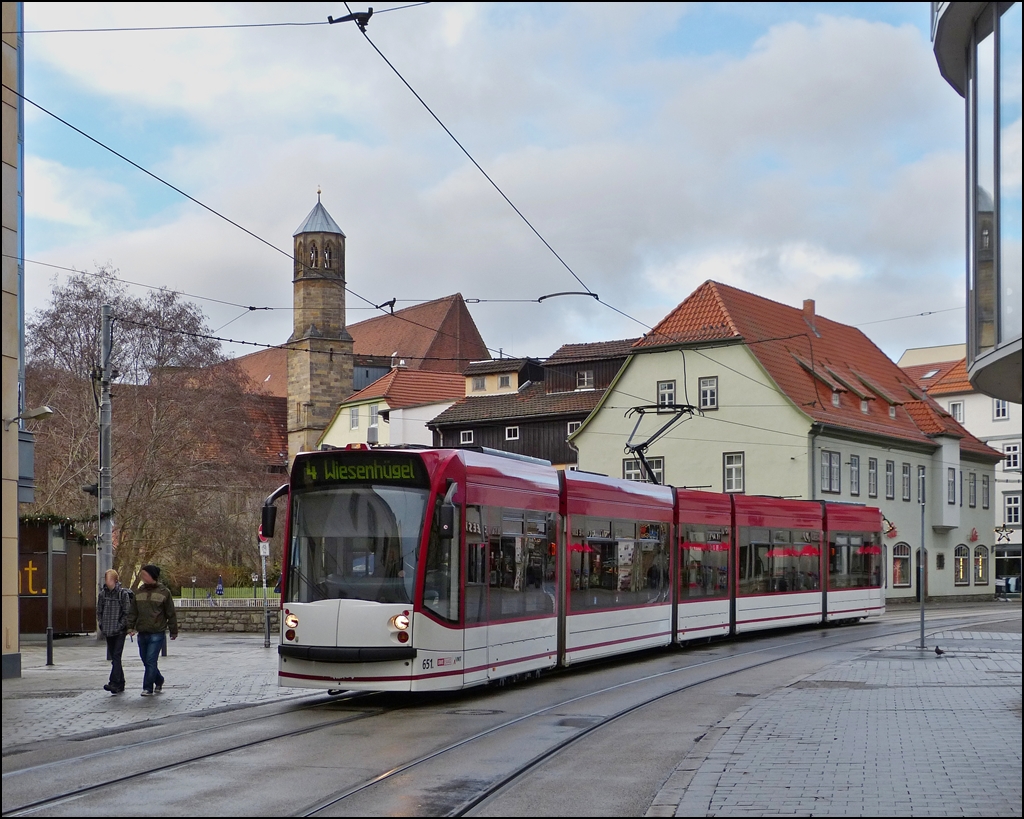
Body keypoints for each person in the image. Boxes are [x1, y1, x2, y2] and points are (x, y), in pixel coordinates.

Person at [128, 564, 178, 697]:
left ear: (152, 576)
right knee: (146, 660)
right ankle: (159, 679)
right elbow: (133, 611)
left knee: (151, 660)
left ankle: (147, 687)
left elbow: (170, 613)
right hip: (142, 631)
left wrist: (173, 631)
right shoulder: (139, 592)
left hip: (157, 632)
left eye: (145, 575)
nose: (142, 577)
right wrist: (130, 627)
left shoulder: (164, 592)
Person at [96, 569, 131, 694]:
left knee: (116, 656)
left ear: (116, 580)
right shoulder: (102, 595)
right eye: (106, 579)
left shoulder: (122, 594)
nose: (108, 582)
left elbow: (127, 612)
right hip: (108, 630)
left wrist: (120, 625)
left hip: (119, 631)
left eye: (110, 579)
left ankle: (114, 682)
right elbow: (99, 611)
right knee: (115, 657)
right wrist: (101, 624)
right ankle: (120, 682)